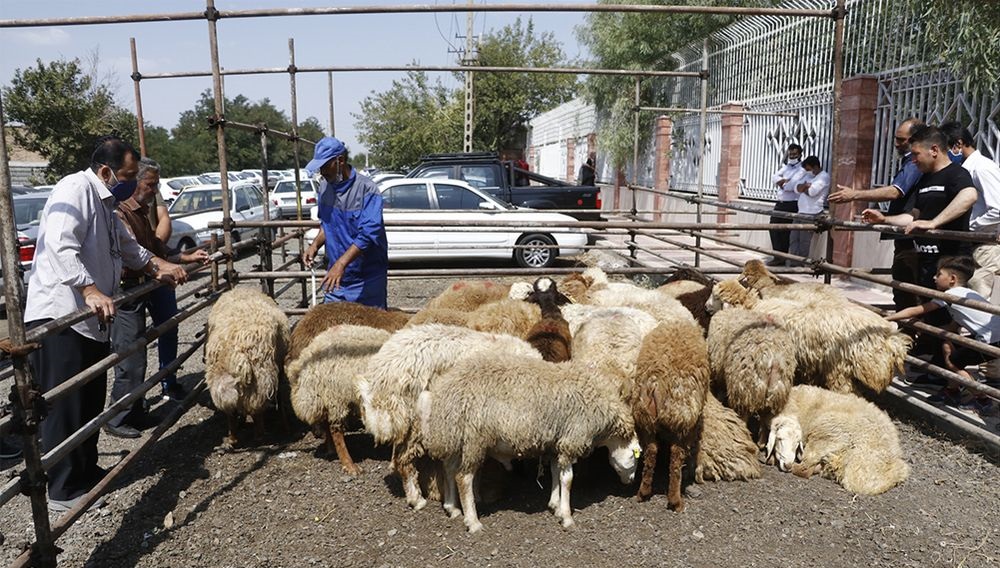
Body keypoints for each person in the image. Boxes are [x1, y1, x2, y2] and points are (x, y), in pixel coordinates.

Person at [24, 135, 188, 512]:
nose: (131, 182)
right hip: (62, 313)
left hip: (91, 316)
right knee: (66, 402)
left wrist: (158, 267)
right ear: (105, 171)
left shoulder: (107, 203)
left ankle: (85, 470)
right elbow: (60, 244)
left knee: (89, 397)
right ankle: (62, 491)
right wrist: (90, 290)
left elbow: (127, 247)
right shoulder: (75, 189)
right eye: (128, 175)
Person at [106, 158, 209, 438]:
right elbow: (137, 256)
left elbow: (155, 248)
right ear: (134, 182)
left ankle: (136, 411)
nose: (155, 190)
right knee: (128, 354)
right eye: (151, 184)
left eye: (156, 184)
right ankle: (117, 418)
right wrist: (162, 266)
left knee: (137, 352)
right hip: (126, 290)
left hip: (141, 285)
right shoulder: (120, 214)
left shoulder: (138, 212)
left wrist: (184, 257)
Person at [860, 125, 978, 288]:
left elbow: (969, 195)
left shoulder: (956, 174)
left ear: (934, 150)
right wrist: (884, 219)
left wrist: (933, 223)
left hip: (950, 267)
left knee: (945, 311)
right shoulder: (925, 179)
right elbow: (914, 215)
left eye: (916, 154)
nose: (913, 160)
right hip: (926, 263)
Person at [830, 117, 925, 310]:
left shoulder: (915, 164)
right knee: (903, 289)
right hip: (905, 231)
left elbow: (895, 191)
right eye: (896, 139)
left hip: (913, 235)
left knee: (908, 290)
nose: (896, 144)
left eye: (901, 140)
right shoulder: (911, 162)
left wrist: (854, 194)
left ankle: (913, 334)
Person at [886, 256, 998, 415]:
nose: (934, 277)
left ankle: (982, 400)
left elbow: (917, 310)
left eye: (939, 274)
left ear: (952, 279)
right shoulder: (967, 293)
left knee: (953, 363)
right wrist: (931, 330)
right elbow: (953, 326)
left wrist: (887, 318)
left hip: (991, 340)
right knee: (948, 344)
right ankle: (952, 390)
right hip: (992, 336)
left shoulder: (949, 295)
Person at [302, 137, 389, 309]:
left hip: (367, 279)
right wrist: (315, 245)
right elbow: (328, 224)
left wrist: (341, 264)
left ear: (339, 161)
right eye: (320, 167)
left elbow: (368, 234)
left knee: (371, 330)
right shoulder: (325, 187)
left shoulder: (367, 190)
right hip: (338, 280)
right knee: (333, 328)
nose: (322, 172)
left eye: (325, 166)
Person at [137, 160, 191, 401]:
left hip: (157, 268)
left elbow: (163, 222)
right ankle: (132, 401)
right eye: (151, 184)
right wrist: (156, 259)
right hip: (133, 278)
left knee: (168, 325)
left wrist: (166, 254)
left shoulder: (148, 198)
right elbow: (130, 248)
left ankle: (168, 379)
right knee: (133, 341)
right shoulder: (121, 207)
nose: (156, 189)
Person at [940, 121, 1000, 299]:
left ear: (958, 144)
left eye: (946, 148)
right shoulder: (964, 169)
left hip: (983, 245)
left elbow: (998, 208)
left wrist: (971, 227)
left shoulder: (982, 168)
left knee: (977, 298)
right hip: (967, 243)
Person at [788, 156, 830, 263]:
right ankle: (793, 262)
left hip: (812, 212)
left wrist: (804, 188)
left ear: (815, 167)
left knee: (804, 241)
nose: (808, 172)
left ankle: (801, 264)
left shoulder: (823, 177)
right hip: (800, 211)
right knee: (794, 238)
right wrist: (805, 186)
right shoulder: (808, 175)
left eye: (808, 169)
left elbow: (812, 192)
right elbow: (796, 188)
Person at [767, 144, 804, 266]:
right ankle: (778, 256)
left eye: (795, 154)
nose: (792, 156)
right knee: (773, 228)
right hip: (780, 202)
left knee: (785, 231)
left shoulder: (802, 169)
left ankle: (783, 257)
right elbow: (774, 177)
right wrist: (782, 181)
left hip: (792, 203)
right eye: (790, 154)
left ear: (800, 154)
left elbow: (791, 186)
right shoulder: (786, 167)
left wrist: (784, 183)